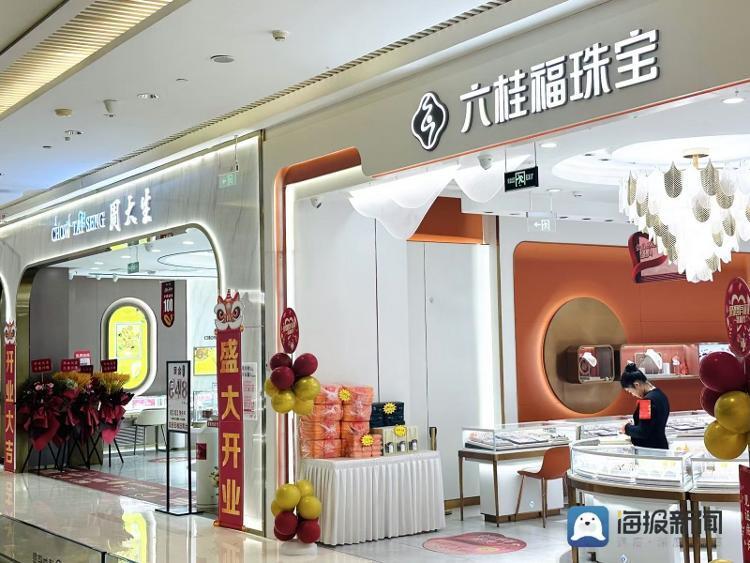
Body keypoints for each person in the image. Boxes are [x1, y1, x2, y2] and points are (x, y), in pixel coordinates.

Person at [620, 363, 670, 449]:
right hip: (662, 446)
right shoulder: (661, 395)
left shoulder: (646, 402)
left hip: (649, 450)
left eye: (630, 391)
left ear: (636, 385)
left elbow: (642, 432)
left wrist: (626, 428)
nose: (633, 395)